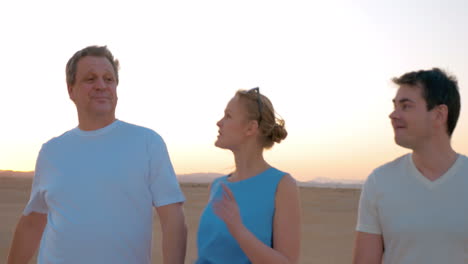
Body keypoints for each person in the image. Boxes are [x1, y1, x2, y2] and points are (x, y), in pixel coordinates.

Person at [7, 45, 187, 264]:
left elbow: (173, 220)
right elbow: (34, 220)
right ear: (70, 90)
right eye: (90, 79)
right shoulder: (51, 151)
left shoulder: (147, 143)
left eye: (109, 79)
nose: (101, 86)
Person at [353, 68, 468, 264]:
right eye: (395, 106)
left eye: (405, 106)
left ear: (439, 115)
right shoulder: (380, 181)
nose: (393, 115)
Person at [195, 88, 301, 264]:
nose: (219, 123)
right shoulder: (216, 186)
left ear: (251, 128)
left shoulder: (281, 185)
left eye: (228, 116)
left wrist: (239, 230)